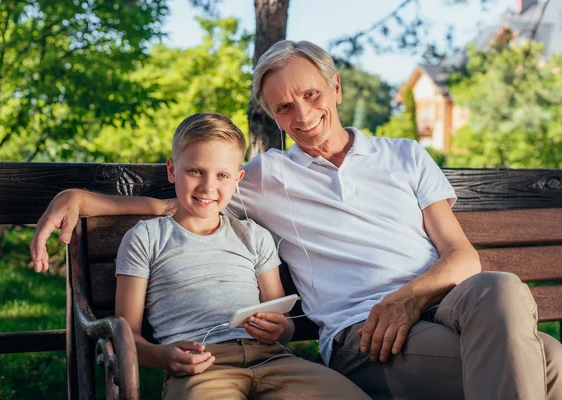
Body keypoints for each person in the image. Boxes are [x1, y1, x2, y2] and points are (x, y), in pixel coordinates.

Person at [32, 41, 562, 399]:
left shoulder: (405, 154)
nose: (303, 115)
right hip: (367, 337)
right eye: (284, 107)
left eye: (311, 95)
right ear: (270, 114)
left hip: (442, 304)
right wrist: (81, 197)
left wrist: (408, 298)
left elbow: (462, 257)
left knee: (502, 287)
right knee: (547, 362)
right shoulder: (264, 176)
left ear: (336, 87)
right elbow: (188, 201)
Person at [103, 112, 366, 399]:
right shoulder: (146, 238)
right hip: (202, 367)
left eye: (222, 175)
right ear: (171, 169)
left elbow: (283, 322)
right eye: (194, 171)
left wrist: (279, 327)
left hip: (273, 360)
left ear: (237, 179)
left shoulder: (253, 236)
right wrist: (163, 356)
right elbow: (126, 336)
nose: (207, 187)